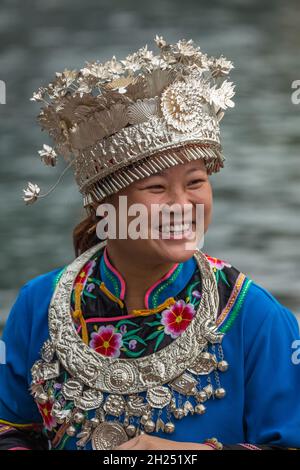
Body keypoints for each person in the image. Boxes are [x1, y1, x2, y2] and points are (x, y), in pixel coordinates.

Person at [0, 36, 299, 451]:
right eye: (156, 188)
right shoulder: (39, 304)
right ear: (105, 206)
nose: (182, 205)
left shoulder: (255, 317)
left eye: (196, 182)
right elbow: (10, 430)